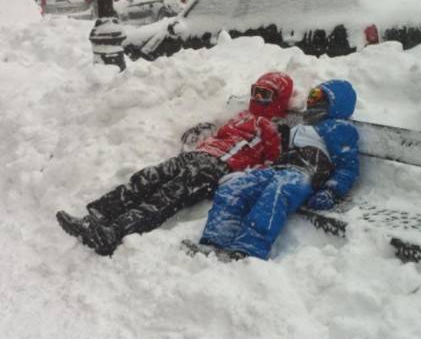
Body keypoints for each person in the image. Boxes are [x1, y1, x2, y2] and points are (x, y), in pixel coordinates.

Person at [56, 72, 294, 256]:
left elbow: (271, 164)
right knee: (146, 178)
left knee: (166, 196)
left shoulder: (273, 128)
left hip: (216, 168)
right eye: (256, 91)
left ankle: (113, 233)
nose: (258, 99)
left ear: (279, 100)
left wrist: (238, 174)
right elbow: (220, 136)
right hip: (196, 156)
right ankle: (96, 216)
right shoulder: (242, 116)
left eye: (266, 95)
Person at [197, 79, 359, 261]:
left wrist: (332, 190)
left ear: (337, 103)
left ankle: (249, 247)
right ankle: (216, 240)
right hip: (279, 169)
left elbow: (348, 167)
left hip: (304, 174)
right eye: (312, 94)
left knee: (276, 193)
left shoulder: (339, 128)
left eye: (319, 96)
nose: (312, 100)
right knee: (235, 187)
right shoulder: (305, 125)